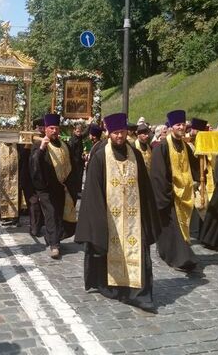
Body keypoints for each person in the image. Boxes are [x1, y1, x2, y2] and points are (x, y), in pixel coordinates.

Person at [75, 113, 161, 312]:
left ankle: (139, 293)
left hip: (134, 217)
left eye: (122, 132)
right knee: (110, 251)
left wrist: (149, 217)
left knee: (138, 253)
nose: (119, 136)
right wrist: (97, 222)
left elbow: (145, 187)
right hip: (110, 218)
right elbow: (93, 192)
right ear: (109, 134)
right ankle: (113, 286)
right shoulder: (99, 156)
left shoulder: (135, 155)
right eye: (115, 133)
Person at [150, 110, 200, 274]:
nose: (181, 126)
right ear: (171, 127)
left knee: (179, 229)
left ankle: (171, 253)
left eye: (183, 123)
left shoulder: (186, 146)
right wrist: (165, 195)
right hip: (169, 194)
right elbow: (158, 174)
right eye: (178, 124)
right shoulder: (162, 147)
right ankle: (182, 258)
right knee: (173, 229)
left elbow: (194, 167)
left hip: (184, 194)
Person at [30, 114, 78, 259]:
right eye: (51, 128)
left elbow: (72, 165)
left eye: (56, 128)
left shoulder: (65, 145)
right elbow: (33, 165)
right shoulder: (39, 144)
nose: (54, 131)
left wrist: (70, 185)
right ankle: (54, 246)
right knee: (51, 213)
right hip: (45, 187)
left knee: (59, 214)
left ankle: (52, 236)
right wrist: (42, 149)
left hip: (60, 187)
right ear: (46, 129)